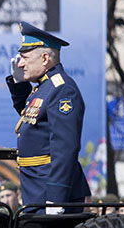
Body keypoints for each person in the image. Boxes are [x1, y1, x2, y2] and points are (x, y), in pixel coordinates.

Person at [5, 23, 90, 213]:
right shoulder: (45, 87)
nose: (20, 63)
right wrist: (19, 85)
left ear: (44, 58)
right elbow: (30, 119)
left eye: (25, 58)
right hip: (37, 189)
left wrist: (56, 197)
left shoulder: (62, 89)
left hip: (50, 193)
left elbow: (65, 147)